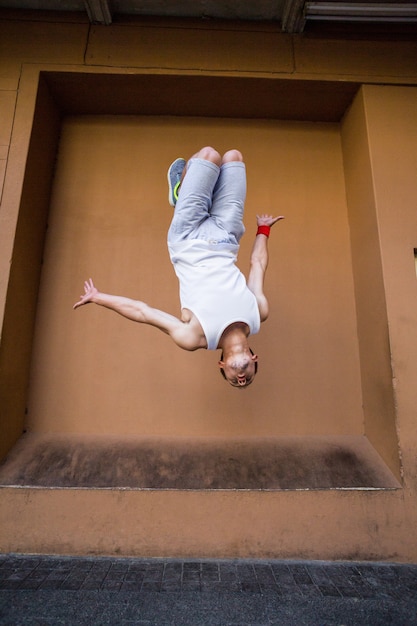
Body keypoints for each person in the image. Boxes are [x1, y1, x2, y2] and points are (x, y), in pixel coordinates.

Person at [74, 146, 283, 387]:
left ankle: (181, 191)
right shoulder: (258, 314)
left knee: (209, 155)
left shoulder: (194, 336)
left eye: (234, 382)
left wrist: (98, 297)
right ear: (254, 359)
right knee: (233, 156)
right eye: (247, 380)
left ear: (222, 365)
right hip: (226, 236)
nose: (241, 380)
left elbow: (144, 312)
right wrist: (263, 231)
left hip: (187, 238)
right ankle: (192, 192)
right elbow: (257, 264)